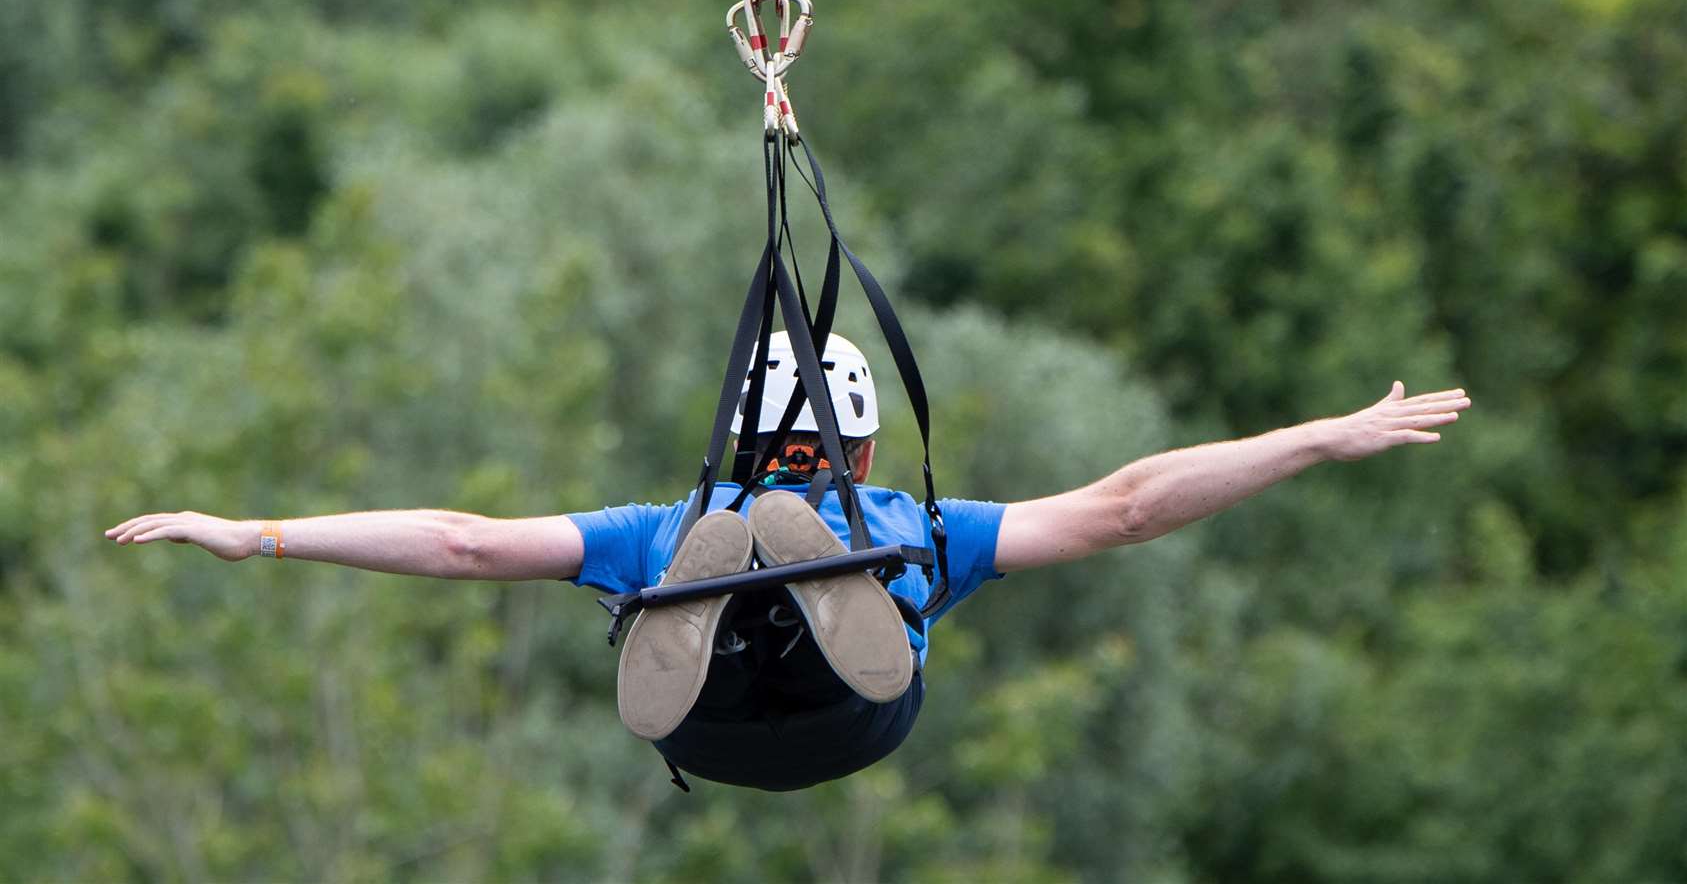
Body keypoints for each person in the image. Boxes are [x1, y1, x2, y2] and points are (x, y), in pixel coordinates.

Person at [107, 331, 1471, 791]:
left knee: (663, 554)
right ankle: (819, 597)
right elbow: (1127, 507)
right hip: (858, 724)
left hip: (710, 729)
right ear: (864, 455)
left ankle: (730, 601)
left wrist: (260, 533)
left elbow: (463, 543)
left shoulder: (655, 527)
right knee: (886, 579)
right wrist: (1317, 437)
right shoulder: (927, 529)